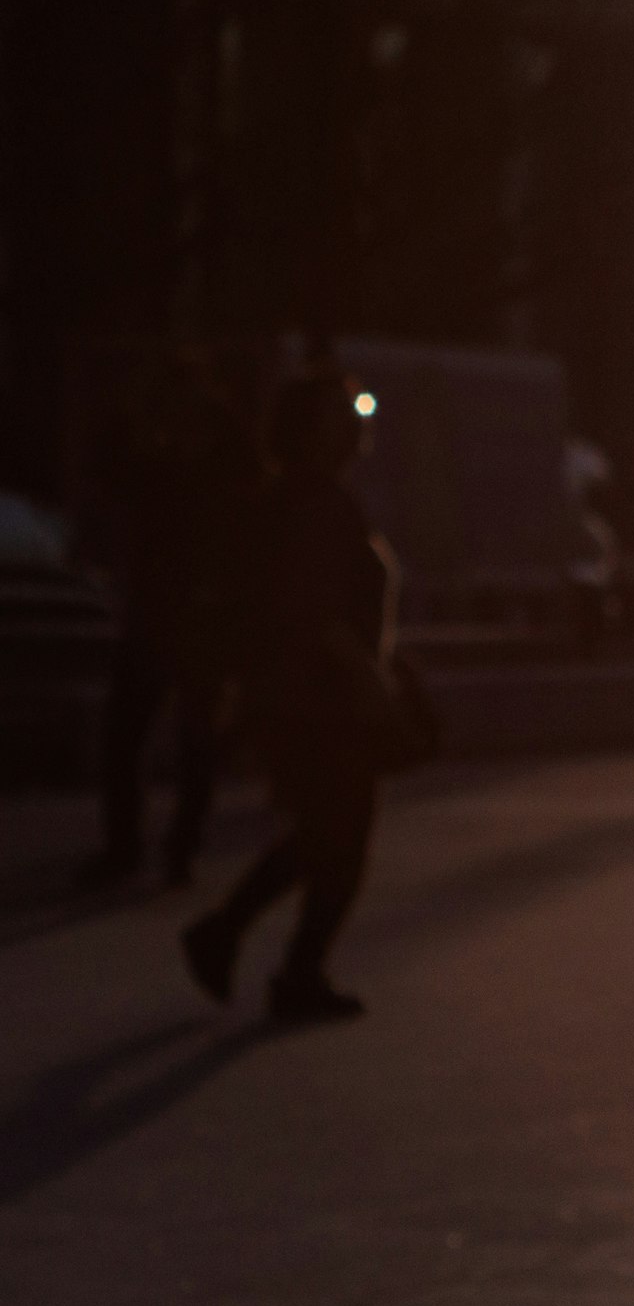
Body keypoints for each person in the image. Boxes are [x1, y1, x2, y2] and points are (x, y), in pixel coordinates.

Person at [181, 370, 406, 1024]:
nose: (356, 422)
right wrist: (368, 675)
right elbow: (311, 611)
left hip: (303, 698)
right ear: (311, 430)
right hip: (322, 702)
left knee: (321, 837)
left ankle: (232, 940)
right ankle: (289, 969)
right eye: (341, 413)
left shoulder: (306, 498)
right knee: (341, 841)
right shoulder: (314, 505)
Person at [83, 351, 263, 889]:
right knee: (177, 738)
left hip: (182, 616)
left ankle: (151, 847)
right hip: (182, 616)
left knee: (170, 738)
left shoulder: (197, 468)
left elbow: (114, 468)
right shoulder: (192, 466)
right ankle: (161, 847)